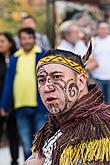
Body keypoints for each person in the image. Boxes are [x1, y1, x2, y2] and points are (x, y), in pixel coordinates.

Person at [25, 42, 110, 165]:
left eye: (57, 77)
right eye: (42, 80)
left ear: (80, 81)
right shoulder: (51, 129)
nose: (47, 87)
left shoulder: (102, 126)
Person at [0, 28, 46, 160]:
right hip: (20, 106)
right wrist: (3, 104)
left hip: (40, 105)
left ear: (34, 39)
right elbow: (9, 82)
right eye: (23, 38)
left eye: (29, 38)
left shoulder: (42, 54)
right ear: (19, 40)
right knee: (26, 142)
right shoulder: (15, 57)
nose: (26, 41)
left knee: (41, 141)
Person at [0, 32, 19, 165]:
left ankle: (14, 161)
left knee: (14, 135)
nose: (0, 44)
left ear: (10, 43)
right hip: (0, 102)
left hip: (14, 104)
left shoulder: (16, 58)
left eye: (2, 41)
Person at [88, 22, 110, 104]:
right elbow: (89, 58)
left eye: (105, 29)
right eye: (101, 28)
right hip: (97, 77)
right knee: (99, 101)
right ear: (97, 30)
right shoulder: (93, 42)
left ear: (108, 30)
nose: (103, 31)